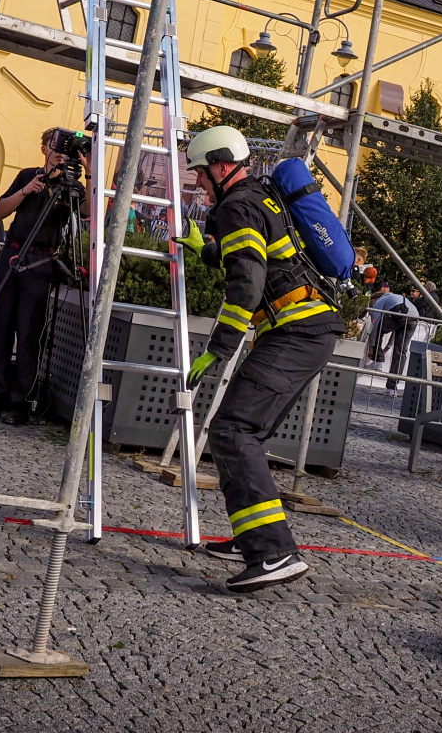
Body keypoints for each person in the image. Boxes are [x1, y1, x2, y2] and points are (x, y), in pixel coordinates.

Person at [181, 126, 343, 592]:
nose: (196, 183)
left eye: (199, 173)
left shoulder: (237, 206)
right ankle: (251, 536)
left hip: (296, 331)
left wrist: (218, 348)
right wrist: (209, 250)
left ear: (220, 165)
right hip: (307, 328)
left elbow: (247, 286)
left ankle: (274, 554)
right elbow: (259, 259)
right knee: (246, 431)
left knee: (234, 431)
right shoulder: (259, 197)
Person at [0, 130, 88, 425]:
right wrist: (26, 190)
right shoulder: (28, 175)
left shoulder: (72, 186)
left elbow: (89, 213)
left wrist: (89, 175)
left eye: (66, 149)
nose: (61, 153)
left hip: (43, 261)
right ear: (44, 149)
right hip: (13, 254)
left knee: (29, 333)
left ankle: (20, 400)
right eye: (56, 147)